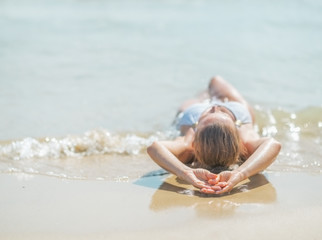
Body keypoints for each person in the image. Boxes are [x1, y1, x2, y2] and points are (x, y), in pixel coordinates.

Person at [147, 76, 281, 194]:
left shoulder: (187, 145)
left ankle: (203, 97)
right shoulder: (245, 141)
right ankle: (211, 98)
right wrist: (240, 173)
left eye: (221, 110)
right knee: (216, 81)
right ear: (238, 139)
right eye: (221, 111)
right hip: (237, 111)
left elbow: (154, 147)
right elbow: (273, 144)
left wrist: (185, 172)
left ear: (194, 142)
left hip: (192, 113)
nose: (215, 107)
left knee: (198, 97)